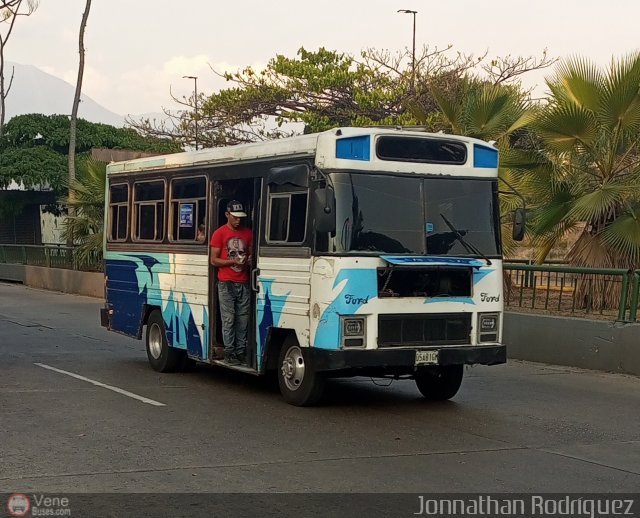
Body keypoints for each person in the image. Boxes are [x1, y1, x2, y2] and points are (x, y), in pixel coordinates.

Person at [210, 200, 252, 365]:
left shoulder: (248, 234)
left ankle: (240, 352)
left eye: (240, 217)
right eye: (235, 217)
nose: (238, 220)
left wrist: (247, 261)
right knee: (229, 319)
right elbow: (213, 260)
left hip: (244, 281)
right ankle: (230, 352)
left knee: (243, 319)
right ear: (227, 215)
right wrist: (232, 261)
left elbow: (251, 254)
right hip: (226, 282)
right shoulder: (219, 233)